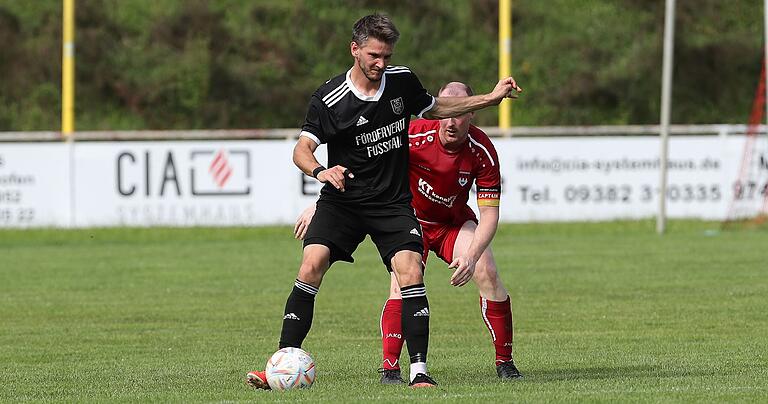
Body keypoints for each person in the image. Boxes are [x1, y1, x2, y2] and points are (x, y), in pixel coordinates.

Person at [247, 14, 522, 389]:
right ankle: (279, 364)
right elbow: (302, 149)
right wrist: (320, 173)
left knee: (409, 271)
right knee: (310, 265)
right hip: (343, 200)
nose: (381, 63)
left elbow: (438, 107)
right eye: (374, 55)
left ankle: (418, 372)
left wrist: (491, 98)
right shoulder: (329, 99)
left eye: (387, 56)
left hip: (390, 203)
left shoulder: (402, 83)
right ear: (355, 49)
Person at [294, 82, 522, 384]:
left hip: (451, 224)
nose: (451, 122)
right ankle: (390, 368)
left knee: (487, 271)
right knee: (401, 285)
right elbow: (366, 166)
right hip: (407, 219)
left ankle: (505, 362)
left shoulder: (482, 152)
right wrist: (321, 205)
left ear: (470, 114)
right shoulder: (415, 134)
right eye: (446, 115)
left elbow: (489, 215)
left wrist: (472, 255)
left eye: (460, 114)